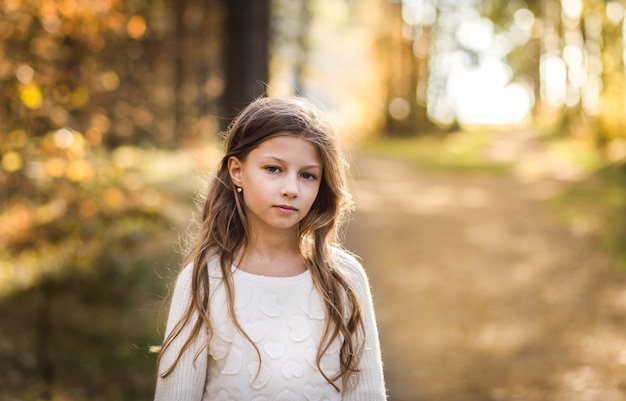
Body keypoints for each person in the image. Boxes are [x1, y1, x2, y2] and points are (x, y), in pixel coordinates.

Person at [154, 96, 387, 400]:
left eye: (307, 175)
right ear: (237, 171)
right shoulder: (204, 280)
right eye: (274, 169)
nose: (291, 188)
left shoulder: (344, 278)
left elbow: (366, 393)